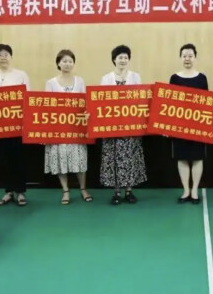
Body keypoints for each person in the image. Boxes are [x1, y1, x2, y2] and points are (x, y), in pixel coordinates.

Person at [99, 45, 147, 205]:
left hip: (130, 127)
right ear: (114, 59)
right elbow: (100, 102)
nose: (123, 60)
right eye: (120, 57)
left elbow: (140, 100)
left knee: (130, 158)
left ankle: (129, 191)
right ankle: (117, 192)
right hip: (112, 127)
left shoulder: (135, 77)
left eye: (126, 57)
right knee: (114, 159)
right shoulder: (106, 78)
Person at [0, 44, 31, 207]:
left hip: (17, 125)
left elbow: (27, 98)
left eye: (6, 54)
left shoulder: (21, 75)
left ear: (11, 57)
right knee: (2, 159)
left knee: (18, 158)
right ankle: (8, 191)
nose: (3, 57)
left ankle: (20, 192)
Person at [44, 49, 92, 205]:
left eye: (70, 61)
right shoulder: (51, 83)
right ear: (58, 63)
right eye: (64, 61)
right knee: (61, 160)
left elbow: (85, 103)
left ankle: (83, 188)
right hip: (58, 130)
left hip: (76, 128)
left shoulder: (79, 81)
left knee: (80, 160)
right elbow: (46, 107)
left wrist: (87, 113)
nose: (67, 64)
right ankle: (65, 190)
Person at [170, 43, 208, 204]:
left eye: (190, 56)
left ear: (195, 57)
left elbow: (207, 102)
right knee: (182, 158)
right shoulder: (174, 78)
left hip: (198, 125)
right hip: (179, 125)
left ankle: (195, 190)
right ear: (180, 58)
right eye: (184, 56)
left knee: (197, 158)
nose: (187, 58)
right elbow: (169, 103)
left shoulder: (202, 78)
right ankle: (186, 190)